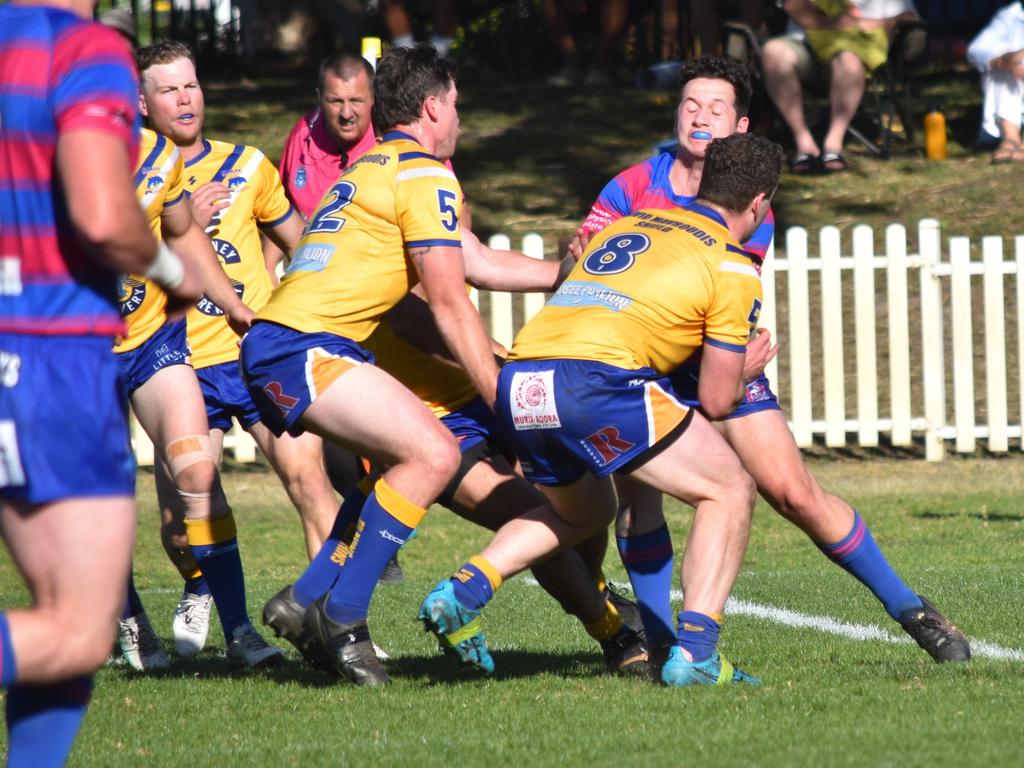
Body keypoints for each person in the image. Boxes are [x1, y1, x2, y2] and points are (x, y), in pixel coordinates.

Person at [574, 56, 970, 664]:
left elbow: (711, 301)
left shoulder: (748, 203)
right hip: (641, 361)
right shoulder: (629, 183)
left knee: (792, 491)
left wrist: (733, 371)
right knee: (638, 501)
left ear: (739, 124)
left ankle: (912, 610)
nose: (699, 116)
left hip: (720, 360)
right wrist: (577, 251)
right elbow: (589, 262)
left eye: (715, 108)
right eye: (689, 103)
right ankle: (660, 645)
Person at [420, 133, 784, 687]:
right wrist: (745, 374)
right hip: (593, 381)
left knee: (582, 513)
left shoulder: (631, 224)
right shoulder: (733, 266)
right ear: (758, 204)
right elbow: (715, 399)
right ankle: (698, 656)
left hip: (522, 377)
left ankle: (466, 588)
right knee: (729, 489)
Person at [241, 44, 522, 686]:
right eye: (456, 104)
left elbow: (472, 260)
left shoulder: (376, 166)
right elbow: (450, 303)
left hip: (290, 341)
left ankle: (307, 595)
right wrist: (502, 405)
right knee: (436, 454)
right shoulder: (424, 171)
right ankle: (342, 619)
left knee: (409, 458)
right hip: (304, 345)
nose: (459, 118)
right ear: (432, 106)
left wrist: (565, 272)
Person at [262, 230, 648, 677]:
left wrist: (565, 273)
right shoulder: (378, 227)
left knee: (578, 500)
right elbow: (417, 324)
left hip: (475, 397)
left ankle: (303, 596)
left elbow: (482, 260)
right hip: (437, 419)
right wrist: (494, 366)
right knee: (538, 518)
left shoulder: (425, 199)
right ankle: (616, 635)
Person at [0, 2, 200, 762]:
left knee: (66, 631)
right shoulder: (80, 47)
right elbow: (102, 214)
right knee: (78, 628)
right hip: (49, 354)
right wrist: (177, 275)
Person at [136, 39, 338, 661]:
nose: (185, 98)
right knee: (180, 522)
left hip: (253, 353)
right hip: (177, 358)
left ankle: (339, 626)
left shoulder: (248, 163)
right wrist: (178, 217)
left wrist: (302, 306)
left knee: (310, 483)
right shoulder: (133, 173)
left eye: (191, 85)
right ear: (142, 105)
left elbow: (303, 241)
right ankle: (200, 582)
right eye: (168, 90)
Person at [114, 123, 257, 668]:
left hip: (151, 337)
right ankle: (130, 620)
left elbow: (182, 231)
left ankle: (240, 631)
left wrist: (230, 302)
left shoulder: (155, 151)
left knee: (197, 471)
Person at [761, 0, 917, 172]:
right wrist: (829, 24)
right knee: (772, 51)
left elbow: (908, 18)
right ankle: (803, 142)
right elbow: (792, 5)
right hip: (806, 46)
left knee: (848, 59)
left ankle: (833, 144)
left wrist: (860, 24)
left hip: (853, 49)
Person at [967, 2, 1024, 163]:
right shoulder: (1012, 14)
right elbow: (977, 50)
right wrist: (1001, 61)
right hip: (1016, 83)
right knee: (998, 55)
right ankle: (1011, 136)